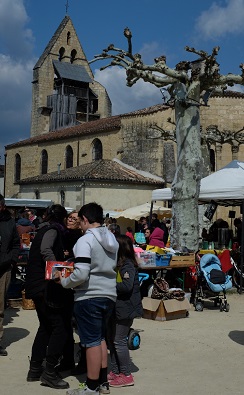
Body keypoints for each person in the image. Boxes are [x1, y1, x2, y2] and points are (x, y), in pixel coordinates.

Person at [56, 202, 119, 395]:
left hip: (89, 296)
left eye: (80, 222)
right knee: (100, 339)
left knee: (90, 342)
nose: (80, 226)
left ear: (85, 219)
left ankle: (91, 388)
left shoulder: (85, 241)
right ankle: (102, 383)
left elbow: (82, 274)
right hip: (109, 294)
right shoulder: (111, 237)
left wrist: (65, 281)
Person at [25, 204, 74, 389]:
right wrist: (56, 270)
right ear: (62, 218)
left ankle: (35, 369)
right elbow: (46, 250)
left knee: (45, 326)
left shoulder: (45, 228)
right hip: (43, 286)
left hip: (36, 284)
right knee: (59, 327)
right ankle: (50, 372)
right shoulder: (53, 230)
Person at [107, 234, 143, 388]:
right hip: (119, 307)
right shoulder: (119, 264)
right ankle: (116, 371)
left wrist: (108, 285)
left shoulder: (128, 264)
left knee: (119, 340)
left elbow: (127, 286)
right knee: (113, 340)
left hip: (126, 308)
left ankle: (127, 375)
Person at [0, 194, 20, 356]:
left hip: (3, 268)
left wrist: (11, 260)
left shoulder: (9, 222)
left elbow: (15, 244)